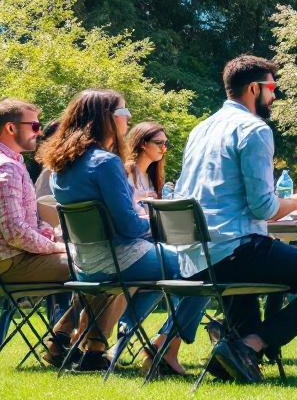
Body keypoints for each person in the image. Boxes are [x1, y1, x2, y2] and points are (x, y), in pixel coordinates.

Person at [174, 55, 297, 383]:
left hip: (195, 256)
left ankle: (237, 351)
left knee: (264, 258)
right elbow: (263, 208)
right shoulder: (254, 129)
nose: (274, 96)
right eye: (272, 88)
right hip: (233, 250)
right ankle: (251, 344)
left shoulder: (200, 130)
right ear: (254, 88)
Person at [41, 90, 208, 376]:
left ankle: (103, 348)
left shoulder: (61, 167)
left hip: (84, 266)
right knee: (203, 266)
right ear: (106, 118)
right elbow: (129, 227)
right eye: (123, 111)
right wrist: (161, 225)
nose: (128, 116)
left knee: (156, 276)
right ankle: (164, 347)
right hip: (119, 258)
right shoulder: (105, 163)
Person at [0, 99, 86, 365]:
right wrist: (56, 246)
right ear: (10, 127)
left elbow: (17, 221)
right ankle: (84, 346)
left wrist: (47, 233)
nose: (38, 132)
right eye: (34, 125)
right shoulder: (2, 167)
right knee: (105, 264)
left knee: (99, 261)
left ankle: (62, 339)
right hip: (11, 263)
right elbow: (15, 232)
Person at [126, 122, 169, 209]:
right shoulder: (124, 171)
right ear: (143, 144)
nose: (163, 148)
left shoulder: (153, 177)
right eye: (158, 142)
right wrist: (141, 196)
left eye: (165, 144)